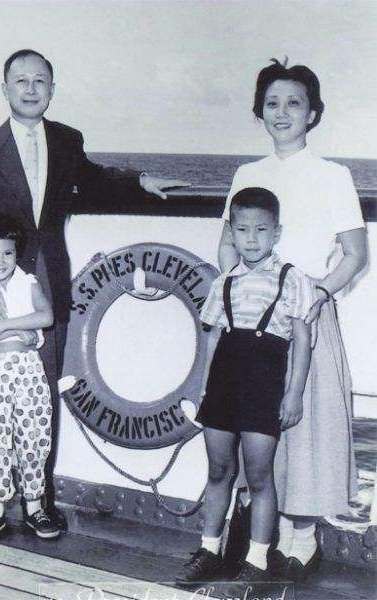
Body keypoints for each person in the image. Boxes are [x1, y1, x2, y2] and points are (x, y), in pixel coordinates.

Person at [0, 49, 187, 526]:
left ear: (52, 90)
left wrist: (141, 180)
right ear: (5, 89)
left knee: (40, 397)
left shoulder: (66, 140)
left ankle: (39, 498)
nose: (30, 89)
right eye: (21, 80)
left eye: (40, 80)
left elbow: (94, 178)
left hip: (47, 283)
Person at [218, 60, 367, 581]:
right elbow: (227, 245)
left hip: (307, 317)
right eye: (272, 103)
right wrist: (241, 293)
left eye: (294, 103)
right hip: (253, 325)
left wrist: (316, 293)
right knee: (258, 429)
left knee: (304, 428)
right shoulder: (246, 175)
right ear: (260, 112)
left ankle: (302, 538)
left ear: (313, 114)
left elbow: (356, 254)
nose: (282, 113)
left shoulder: (333, 176)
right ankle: (267, 536)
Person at [176, 187, 314, 584]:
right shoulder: (225, 282)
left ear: (277, 232)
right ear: (231, 234)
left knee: (258, 475)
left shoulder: (293, 279)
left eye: (261, 230)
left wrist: (293, 394)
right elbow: (213, 340)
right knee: (219, 469)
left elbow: (302, 340)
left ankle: (256, 561)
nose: (251, 239)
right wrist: (203, 388)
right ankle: (209, 551)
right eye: (242, 230)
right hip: (224, 383)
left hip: (263, 386)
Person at [0, 214, 61, 542]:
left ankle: (34, 508)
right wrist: (22, 332)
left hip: (28, 371)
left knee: (34, 434)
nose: (0, 261)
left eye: (7, 253)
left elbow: (46, 316)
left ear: (17, 253)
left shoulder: (28, 282)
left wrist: (6, 326)